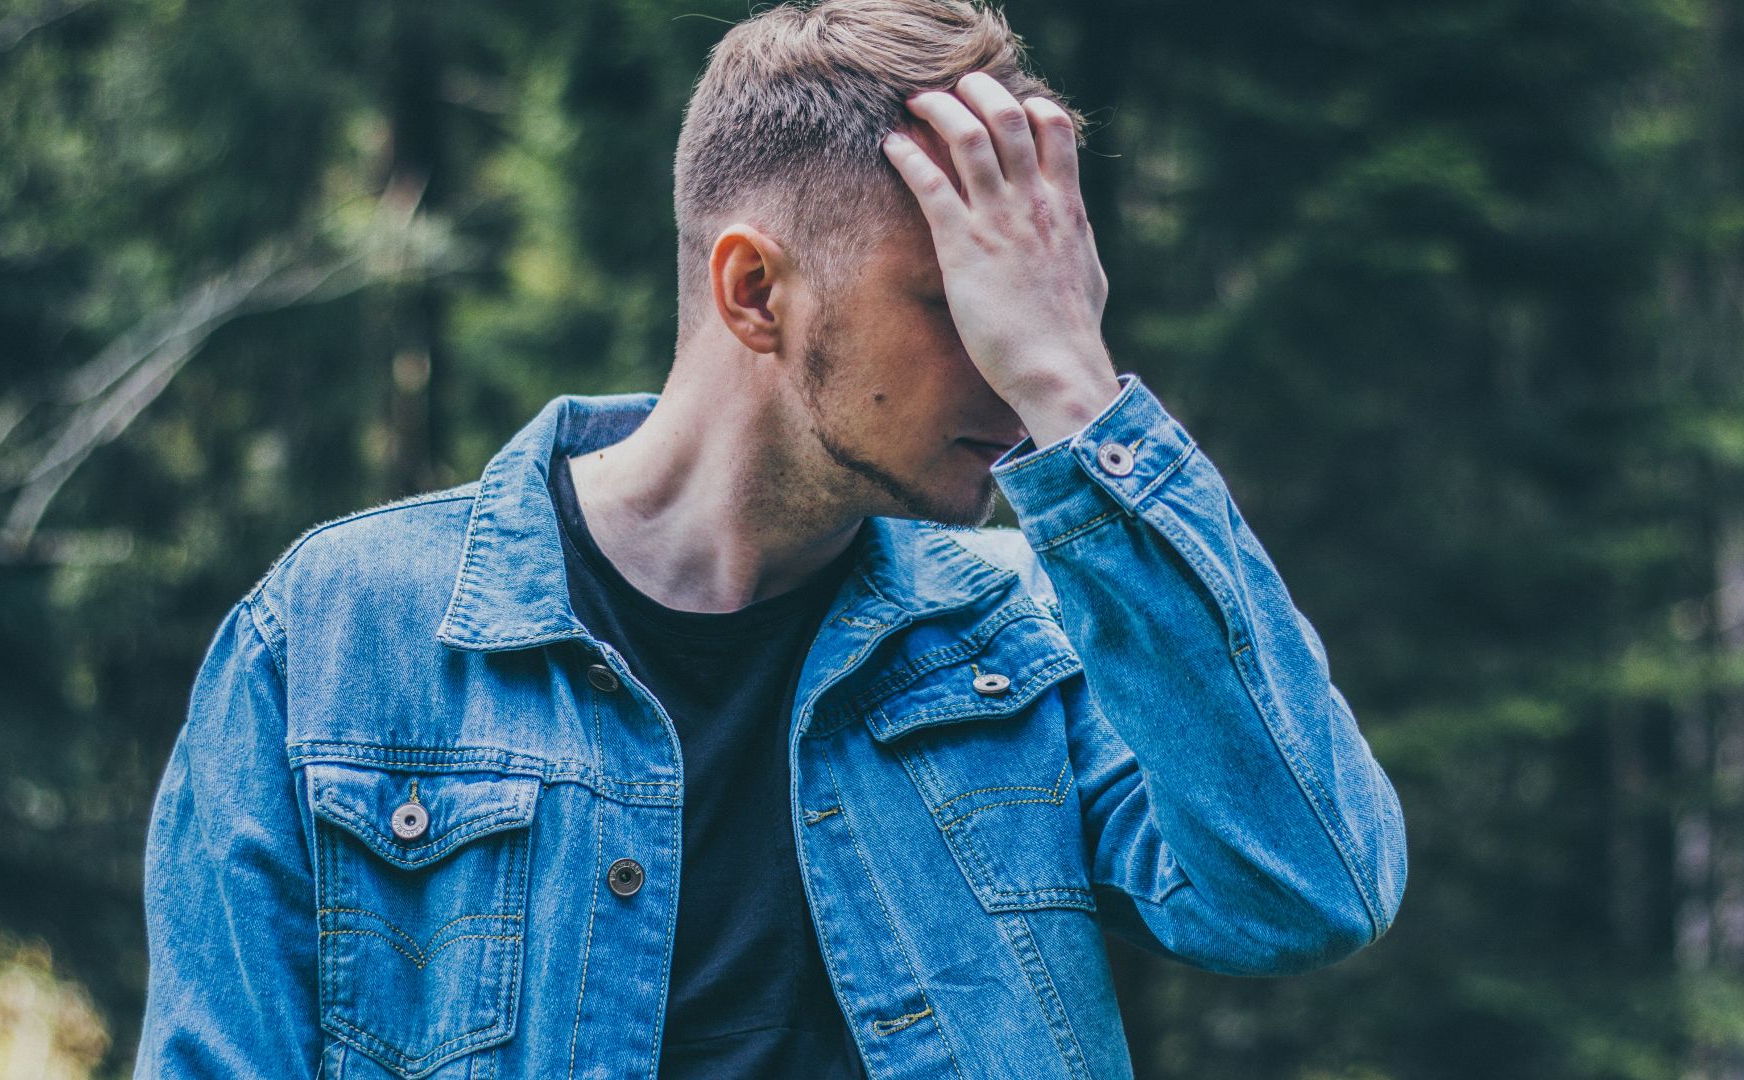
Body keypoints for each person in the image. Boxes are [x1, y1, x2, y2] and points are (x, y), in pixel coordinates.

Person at [134, 1, 1408, 1077]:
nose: (1015, 371)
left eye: (1039, 311)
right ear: (755, 292)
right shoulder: (338, 639)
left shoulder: (1023, 641)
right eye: (962, 303)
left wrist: (1086, 395)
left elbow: (1309, 888)